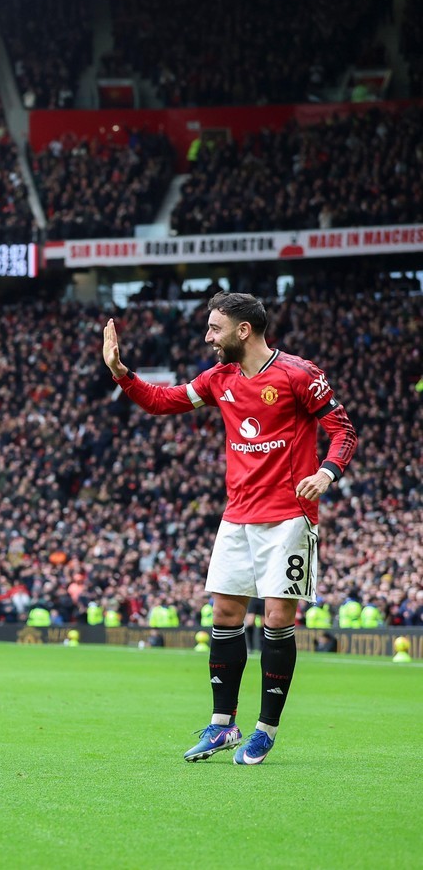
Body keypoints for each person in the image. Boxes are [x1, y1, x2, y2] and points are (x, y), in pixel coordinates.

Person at [103, 292, 356, 765]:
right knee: (223, 616)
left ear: (244, 330)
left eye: (215, 328)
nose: (208, 337)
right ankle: (223, 726)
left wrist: (326, 472)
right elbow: (164, 402)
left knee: (278, 620)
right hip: (237, 516)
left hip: (289, 517)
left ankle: (265, 730)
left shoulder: (300, 375)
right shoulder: (220, 379)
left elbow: (344, 430)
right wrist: (121, 372)